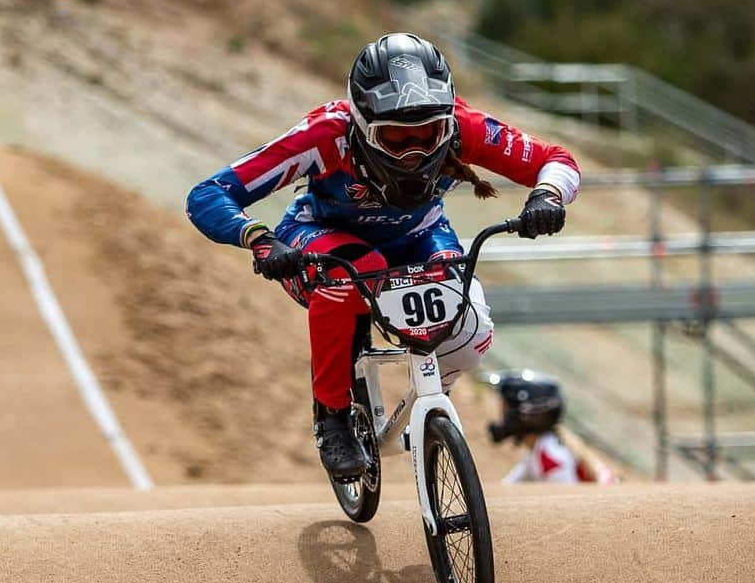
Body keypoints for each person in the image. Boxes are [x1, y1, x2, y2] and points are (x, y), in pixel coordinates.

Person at [185, 32, 580, 479]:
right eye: (395, 137)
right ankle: (332, 415)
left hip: (420, 234)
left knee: (471, 335)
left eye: (427, 134)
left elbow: (556, 159)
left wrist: (547, 196)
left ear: (446, 122)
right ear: (361, 123)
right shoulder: (326, 135)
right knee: (354, 277)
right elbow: (209, 193)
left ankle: (432, 396)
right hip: (322, 235)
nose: (414, 153)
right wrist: (257, 237)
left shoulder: (464, 127)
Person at [488, 369, 616, 484]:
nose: (502, 414)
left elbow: (572, 503)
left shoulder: (551, 456)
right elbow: (509, 486)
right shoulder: (537, 450)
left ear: (527, 415)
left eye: (506, 407)